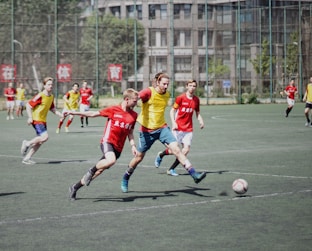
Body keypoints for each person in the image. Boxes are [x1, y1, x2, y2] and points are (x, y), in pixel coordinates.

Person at [120, 73, 207, 193]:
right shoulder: (148, 92)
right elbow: (134, 98)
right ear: (157, 82)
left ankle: (194, 174)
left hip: (162, 128)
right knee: (139, 157)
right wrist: (126, 110)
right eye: (164, 84)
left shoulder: (167, 95)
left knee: (176, 149)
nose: (166, 86)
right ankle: (126, 177)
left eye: (167, 84)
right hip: (146, 131)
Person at [68, 88, 139, 200]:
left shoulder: (134, 115)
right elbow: (93, 114)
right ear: (127, 99)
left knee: (100, 170)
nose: (137, 103)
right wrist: (75, 113)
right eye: (135, 101)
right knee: (110, 161)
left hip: (118, 148)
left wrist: (133, 145)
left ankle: (75, 187)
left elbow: (130, 132)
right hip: (108, 142)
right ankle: (91, 170)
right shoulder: (114, 110)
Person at [154, 79, 204, 176]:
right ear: (186, 86)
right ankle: (161, 154)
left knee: (185, 150)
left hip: (188, 129)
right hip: (178, 128)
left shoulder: (196, 100)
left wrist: (200, 120)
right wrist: (174, 123)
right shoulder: (180, 98)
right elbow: (172, 111)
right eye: (190, 85)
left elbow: (197, 113)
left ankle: (171, 169)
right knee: (174, 150)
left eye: (194, 86)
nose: (192, 88)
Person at [20, 77, 63, 165]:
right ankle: (27, 143)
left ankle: (27, 158)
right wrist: (30, 117)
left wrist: (59, 114)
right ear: (44, 86)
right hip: (36, 119)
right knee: (45, 137)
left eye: (51, 84)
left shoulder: (51, 96)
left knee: (40, 141)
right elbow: (28, 105)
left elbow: (52, 108)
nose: (51, 86)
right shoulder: (40, 95)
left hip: (43, 121)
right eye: (48, 84)